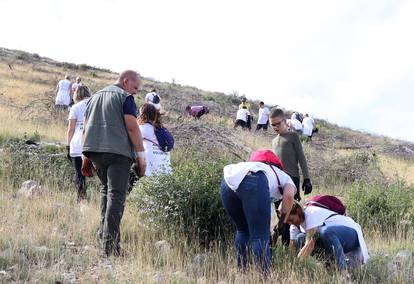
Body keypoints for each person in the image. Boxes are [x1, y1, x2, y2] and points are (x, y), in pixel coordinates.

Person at [83, 70, 146, 257]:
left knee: (105, 191)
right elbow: (133, 128)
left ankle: (103, 236)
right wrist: (141, 157)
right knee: (116, 196)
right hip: (118, 153)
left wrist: (86, 157)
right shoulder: (125, 98)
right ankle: (110, 247)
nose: (135, 92)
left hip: (95, 151)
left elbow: (86, 126)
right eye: (135, 87)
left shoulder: (94, 97)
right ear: (126, 81)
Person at [220, 151, 296, 273]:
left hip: (227, 182)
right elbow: (288, 197)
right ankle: (263, 276)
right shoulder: (283, 175)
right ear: (277, 165)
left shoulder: (247, 166)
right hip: (255, 181)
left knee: (242, 230)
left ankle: (242, 271)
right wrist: (282, 222)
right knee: (260, 236)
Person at [286, 201, 369, 274]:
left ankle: (343, 272)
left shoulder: (311, 213)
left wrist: (295, 266)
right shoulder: (294, 225)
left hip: (351, 235)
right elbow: (292, 247)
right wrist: (289, 265)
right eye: (287, 222)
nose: (290, 223)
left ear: (298, 212)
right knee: (300, 238)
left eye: (291, 219)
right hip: (334, 240)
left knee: (325, 232)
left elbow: (309, 245)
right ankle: (330, 266)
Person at [270, 108, 312, 245]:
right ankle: (283, 243)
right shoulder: (274, 141)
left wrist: (306, 178)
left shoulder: (293, 136)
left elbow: (301, 157)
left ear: (285, 121)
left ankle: (292, 245)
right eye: (273, 125)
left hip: (292, 179)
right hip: (278, 182)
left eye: (278, 124)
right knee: (280, 214)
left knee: (290, 213)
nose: (276, 127)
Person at [66, 85, 91, 202]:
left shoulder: (75, 107)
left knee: (79, 174)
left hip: (77, 143)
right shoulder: (95, 104)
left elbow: (71, 129)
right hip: (93, 143)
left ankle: (81, 199)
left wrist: (67, 145)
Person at [138, 103, 172, 176]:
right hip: (166, 169)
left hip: (151, 166)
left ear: (143, 114)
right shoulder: (162, 129)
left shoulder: (143, 128)